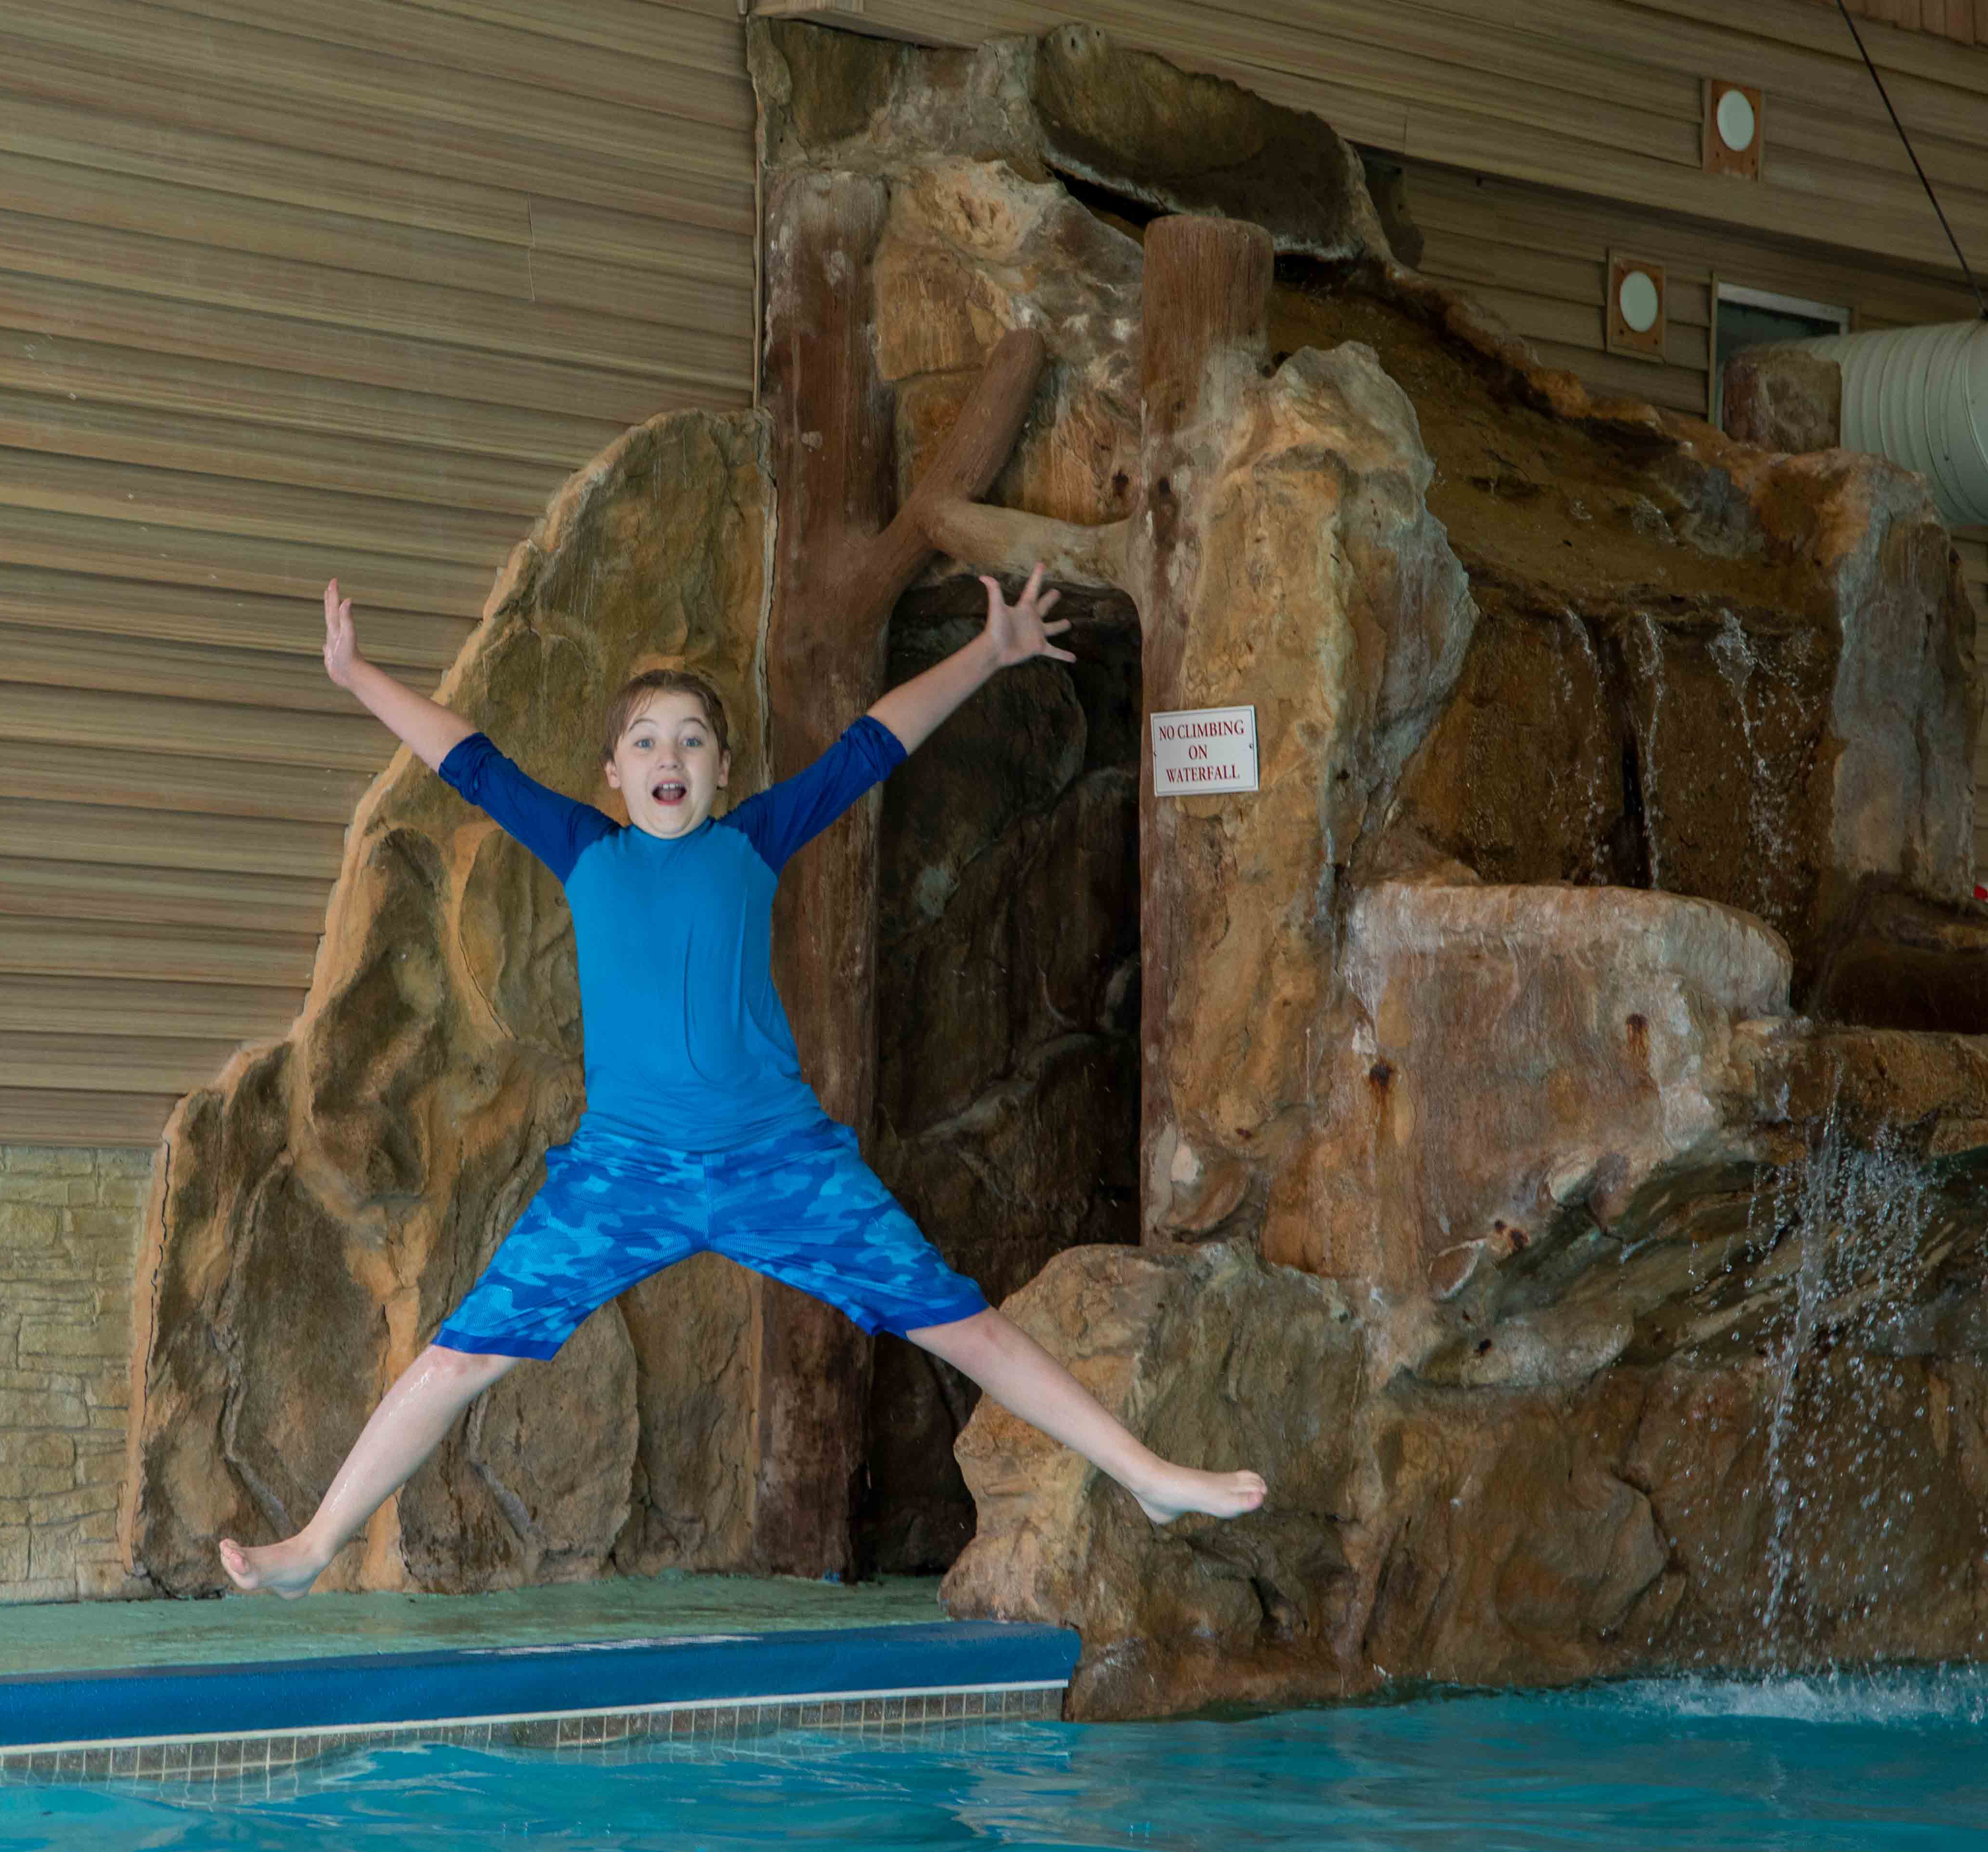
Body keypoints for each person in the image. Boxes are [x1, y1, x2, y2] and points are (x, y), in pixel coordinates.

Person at [219, 571, 1267, 1597]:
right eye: (646, 741)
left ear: (722, 770)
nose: (668, 754)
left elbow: (873, 746)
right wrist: (358, 676)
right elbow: (470, 760)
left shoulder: (754, 840)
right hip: (622, 1175)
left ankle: (1145, 1472)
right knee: (458, 1358)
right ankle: (314, 1542)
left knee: (962, 1321)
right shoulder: (584, 847)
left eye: (691, 739)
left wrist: (988, 652)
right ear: (612, 777)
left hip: (781, 1163)